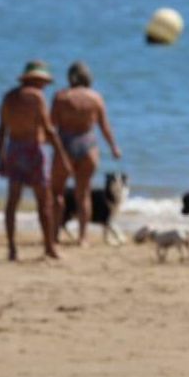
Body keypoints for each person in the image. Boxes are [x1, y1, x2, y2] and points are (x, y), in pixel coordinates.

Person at [0, 60, 71, 261]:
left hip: (14, 149)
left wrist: (1, 158)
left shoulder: (9, 97)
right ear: (36, 80)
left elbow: (2, 130)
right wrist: (62, 156)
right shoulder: (37, 97)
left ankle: (12, 249)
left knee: (12, 202)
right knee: (44, 202)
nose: (45, 85)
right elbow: (48, 129)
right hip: (34, 151)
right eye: (43, 81)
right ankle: (49, 247)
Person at [49, 60, 122, 245]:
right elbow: (104, 126)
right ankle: (83, 238)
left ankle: (54, 235)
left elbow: (52, 126)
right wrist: (114, 147)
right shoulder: (95, 98)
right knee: (84, 194)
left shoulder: (61, 97)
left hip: (65, 146)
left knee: (57, 193)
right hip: (88, 147)